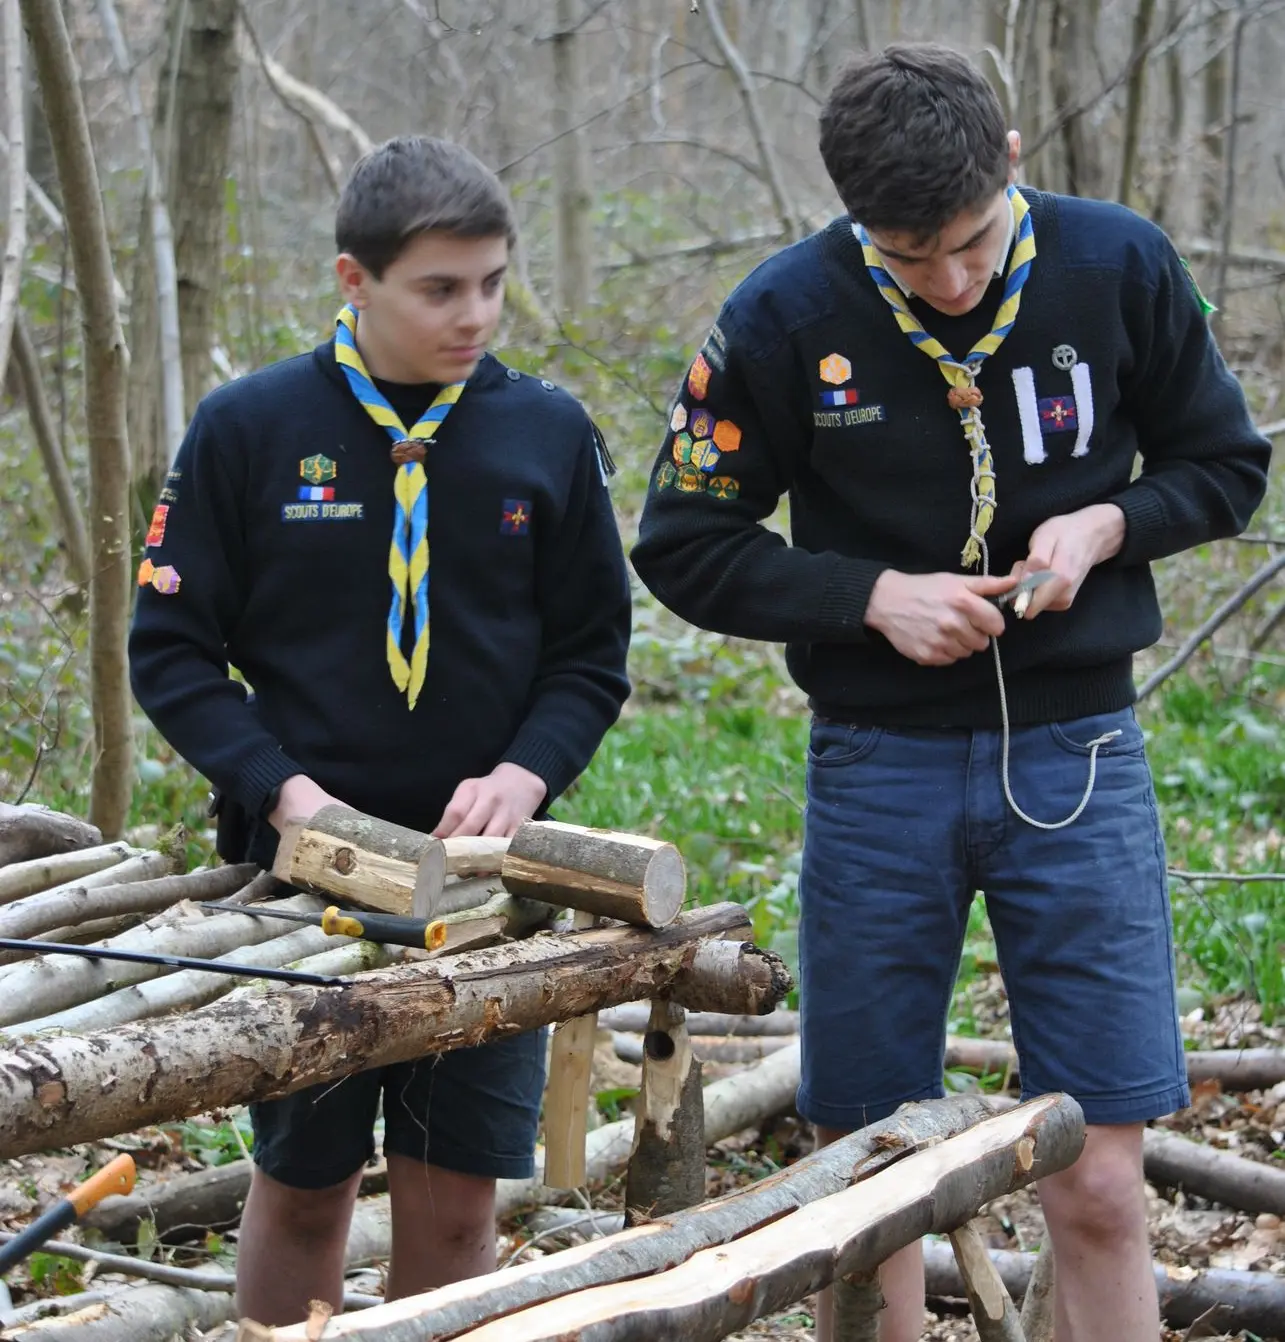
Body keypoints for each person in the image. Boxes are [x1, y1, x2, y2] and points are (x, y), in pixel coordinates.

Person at [631, 43, 1270, 1342]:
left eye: (972, 242)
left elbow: (1223, 462)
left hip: (1078, 755)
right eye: (910, 257)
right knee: (871, 1176)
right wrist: (867, 595)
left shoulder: (1117, 266)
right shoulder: (782, 314)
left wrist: (1109, 525)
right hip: (878, 763)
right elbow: (682, 539)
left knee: (1096, 1171)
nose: (953, 280)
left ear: (1014, 167)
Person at [129, 135, 631, 1326]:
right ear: (354, 281)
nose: (476, 314)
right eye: (441, 288)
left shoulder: (545, 434)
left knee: (457, 1201)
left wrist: (526, 769)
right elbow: (172, 652)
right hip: (308, 884)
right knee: (305, 1186)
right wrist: (284, 794)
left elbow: (588, 659)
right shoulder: (249, 428)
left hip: (487, 883)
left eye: (494, 282)